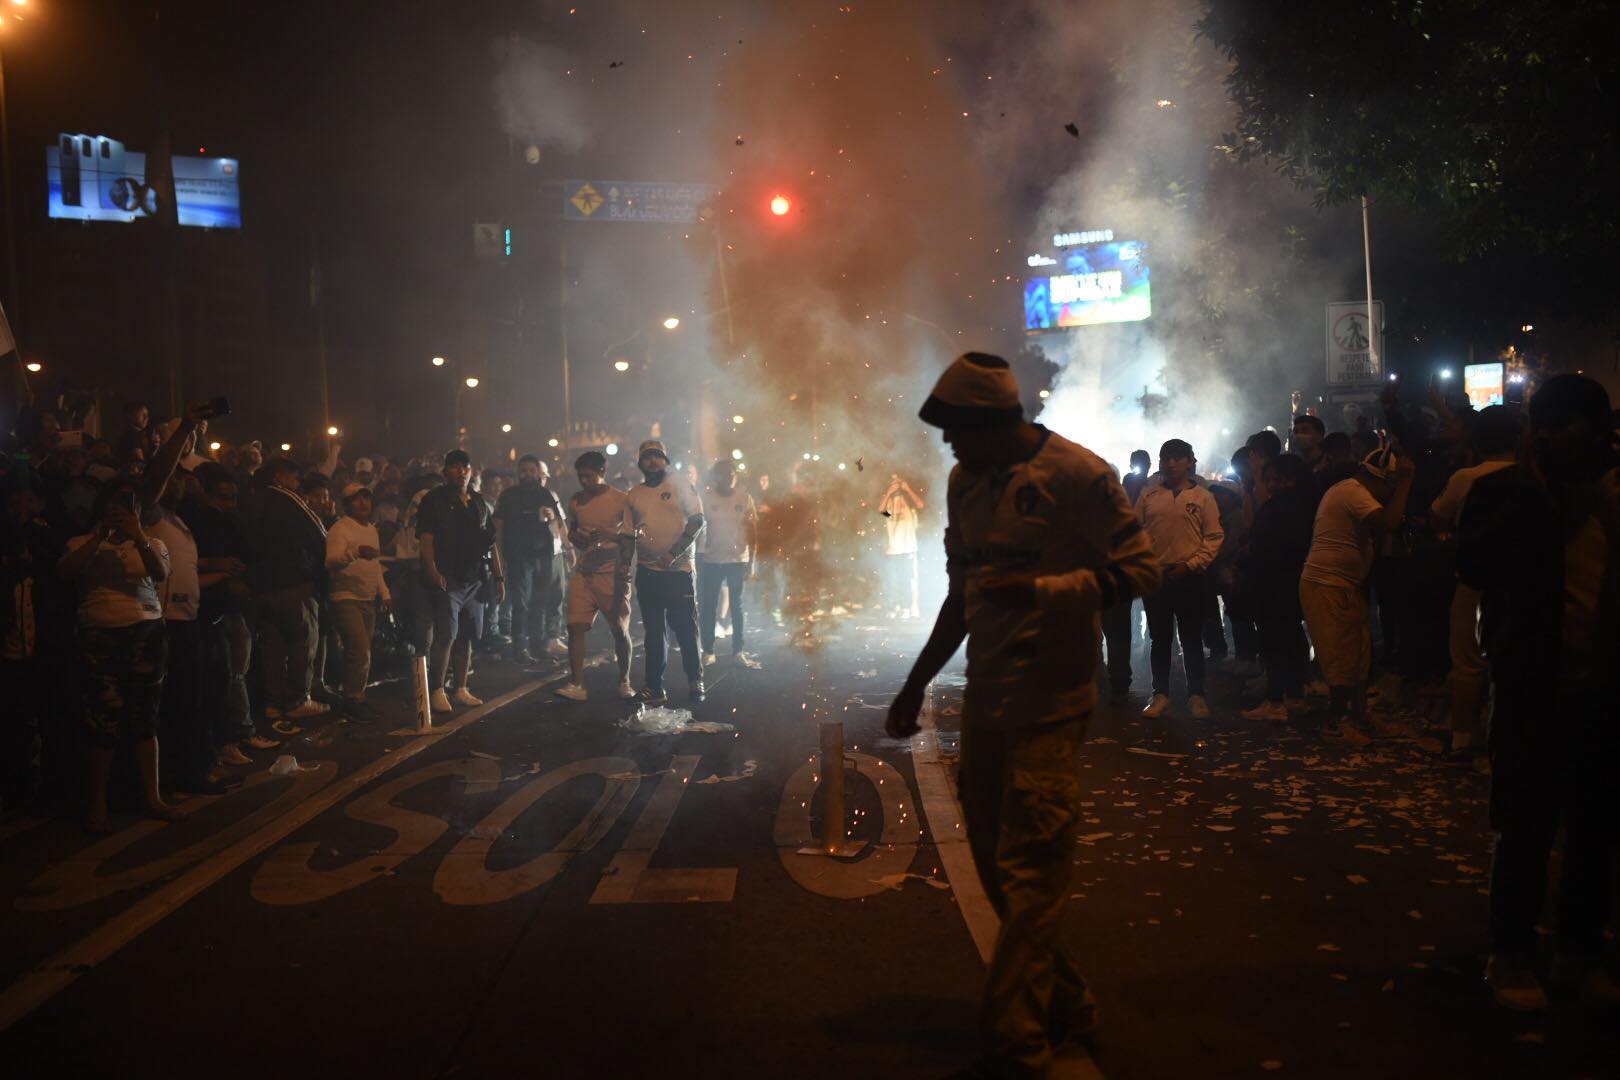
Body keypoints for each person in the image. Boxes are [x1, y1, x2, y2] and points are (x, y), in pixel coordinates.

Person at [886, 353, 1161, 1077]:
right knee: (998, 876)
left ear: (999, 423)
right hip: (987, 701)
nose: (949, 446)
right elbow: (962, 594)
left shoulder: (1079, 475)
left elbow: (1141, 570)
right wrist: (916, 684)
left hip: (1053, 701)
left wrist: (1044, 591)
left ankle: (1017, 1042)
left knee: (1032, 870)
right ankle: (1068, 1002)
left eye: (957, 432)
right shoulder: (964, 483)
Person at [1457, 375, 1620, 1013]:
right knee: (1524, 824)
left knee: (1594, 830)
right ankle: (1512, 952)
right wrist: (1538, 493)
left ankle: (1579, 952)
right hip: (1531, 686)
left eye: (1584, 432)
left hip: (1603, 688)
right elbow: (1472, 565)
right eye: (1556, 432)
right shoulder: (1503, 492)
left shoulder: (1611, 496)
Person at [57, 480, 177, 833]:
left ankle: (152, 797)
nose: (122, 513)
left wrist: (137, 536)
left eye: (129, 507)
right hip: (100, 632)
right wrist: (101, 536)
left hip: (147, 631)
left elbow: (160, 573)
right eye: (115, 506)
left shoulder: (152, 542)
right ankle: (98, 802)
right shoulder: (81, 542)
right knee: (102, 719)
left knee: (146, 717)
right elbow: (65, 571)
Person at [1298, 438, 1416, 744]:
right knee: (1340, 660)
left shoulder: (1352, 490)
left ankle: (1358, 717)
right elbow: (1389, 523)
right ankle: (1336, 723)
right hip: (1327, 585)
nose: (1389, 497)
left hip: (1345, 585)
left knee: (1359, 657)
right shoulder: (1353, 491)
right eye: (1389, 489)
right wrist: (1406, 482)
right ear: (1380, 479)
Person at [1428, 405, 1519, 758]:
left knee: (1467, 662)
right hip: (1528, 583)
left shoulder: (1467, 478)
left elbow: (1438, 517)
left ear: (1476, 440)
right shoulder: (1536, 476)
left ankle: (1462, 738)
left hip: (1475, 582)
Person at [1136, 439, 1224, 720]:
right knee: (1160, 638)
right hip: (1157, 576)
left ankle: (1196, 695)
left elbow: (1213, 537)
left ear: (1189, 461)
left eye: (1177, 458)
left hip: (1190, 578)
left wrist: (1191, 565)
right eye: (1166, 458)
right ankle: (1160, 694)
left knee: (1191, 638)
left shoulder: (1203, 497)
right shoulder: (1148, 495)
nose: (1171, 463)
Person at [416, 449, 504, 712]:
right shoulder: (433, 500)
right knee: (447, 635)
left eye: (465, 467)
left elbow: (491, 543)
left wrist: (499, 577)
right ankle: (437, 689)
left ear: (471, 471)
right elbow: (426, 539)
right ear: (445, 472)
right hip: (448, 577)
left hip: (475, 578)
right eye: (454, 467)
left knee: (467, 635)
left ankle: (461, 688)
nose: (460, 471)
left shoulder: (478, 502)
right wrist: (432, 570)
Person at [627, 440, 706, 705]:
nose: (652, 461)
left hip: (678, 571)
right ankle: (654, 687)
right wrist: (624, 568)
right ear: (640, 464)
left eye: (657, 457)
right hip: (647, 572)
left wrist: (674, 554)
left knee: (685, 628)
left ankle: (695, 680)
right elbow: (628, 534)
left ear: (666, 461)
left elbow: (697, 520)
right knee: (653, 631)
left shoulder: (680, 485)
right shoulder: (634, 494)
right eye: (647, 457)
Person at [252, 458, 330, 722]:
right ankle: (298, 699)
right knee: (303, 641)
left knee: (272, 646)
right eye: (293, 477)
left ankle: (274, 703)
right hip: (293, 584)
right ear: (279, 477)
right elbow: (318, 533)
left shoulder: (251, 500)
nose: (297, 483)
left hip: (262, 586)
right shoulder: (285, 498)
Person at [555, 451, 637, 701]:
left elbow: (632, 538)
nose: (584, 481)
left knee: (619, 629)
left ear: (602, 471)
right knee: (575, 627)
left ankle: (624, 680)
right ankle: (577, 684)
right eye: (580, 476)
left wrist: (622, 564)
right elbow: (572, 532)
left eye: (589, 476)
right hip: (584, 570)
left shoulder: (621, 500)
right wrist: (577, 538)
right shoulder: (576, 500)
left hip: (611, 572)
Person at [1239, 454, 1315, 722]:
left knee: (1274, 644)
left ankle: (1275, 701)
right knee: (1292, 640)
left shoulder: (1277, 509)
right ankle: (1294, 696)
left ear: (1288, 479)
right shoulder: (1303, 506)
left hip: (1272, 584)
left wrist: (1251, 556)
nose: (1270, 484)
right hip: (1291, 582)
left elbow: (1265, 549)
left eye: (1274, 479)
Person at [326, 483, 392, 720]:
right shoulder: (340, 529)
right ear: (346, 504)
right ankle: (353, 700)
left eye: (366, 498)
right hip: (345, 597)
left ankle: (357, 697)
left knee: (363, 650)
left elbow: (375, 566)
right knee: (359, 649)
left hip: (367, 598)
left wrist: (384, 594)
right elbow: (330, 562)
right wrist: (355, 553)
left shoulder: (372, 530)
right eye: (357, 499)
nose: (363, 503)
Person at [496, 454, 569, 665]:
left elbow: (559, 524)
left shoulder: (546, 494)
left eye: (532, 470)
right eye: (524, 470)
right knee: (521, 604)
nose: (528, 474)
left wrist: (553, 518)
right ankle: (520, 648)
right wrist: (500, 556)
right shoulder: (509, 495)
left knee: (539, 602)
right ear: (518, 473)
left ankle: (538, 646)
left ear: (539, 473)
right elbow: (499, 527)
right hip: (518, 557)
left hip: (543, 557)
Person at [699, 459, 758, 666]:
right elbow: (698, 528)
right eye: (723, 474)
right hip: (712, 559)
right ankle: (708, 650)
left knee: (737, 605)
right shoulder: (706, 499)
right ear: (716, 477)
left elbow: (753, 532)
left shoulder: (745, 498)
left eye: (731, 474)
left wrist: (752, 561)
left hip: (737, 559)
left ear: (736, 476)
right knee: (709, 605)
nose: (728, 477)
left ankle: (738, 650)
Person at [879, 472, 925, 619]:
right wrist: (889, 493)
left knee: (907, 579)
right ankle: (894, 606)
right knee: (892, 580)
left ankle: (906, 607)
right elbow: (881, 511)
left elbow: (920, 504)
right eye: (893, 482)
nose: (896, 484)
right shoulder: (889, 506)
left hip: (908, 548)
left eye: (898, 481)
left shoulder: (909, 504)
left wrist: (908, 489)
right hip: (893, 549)